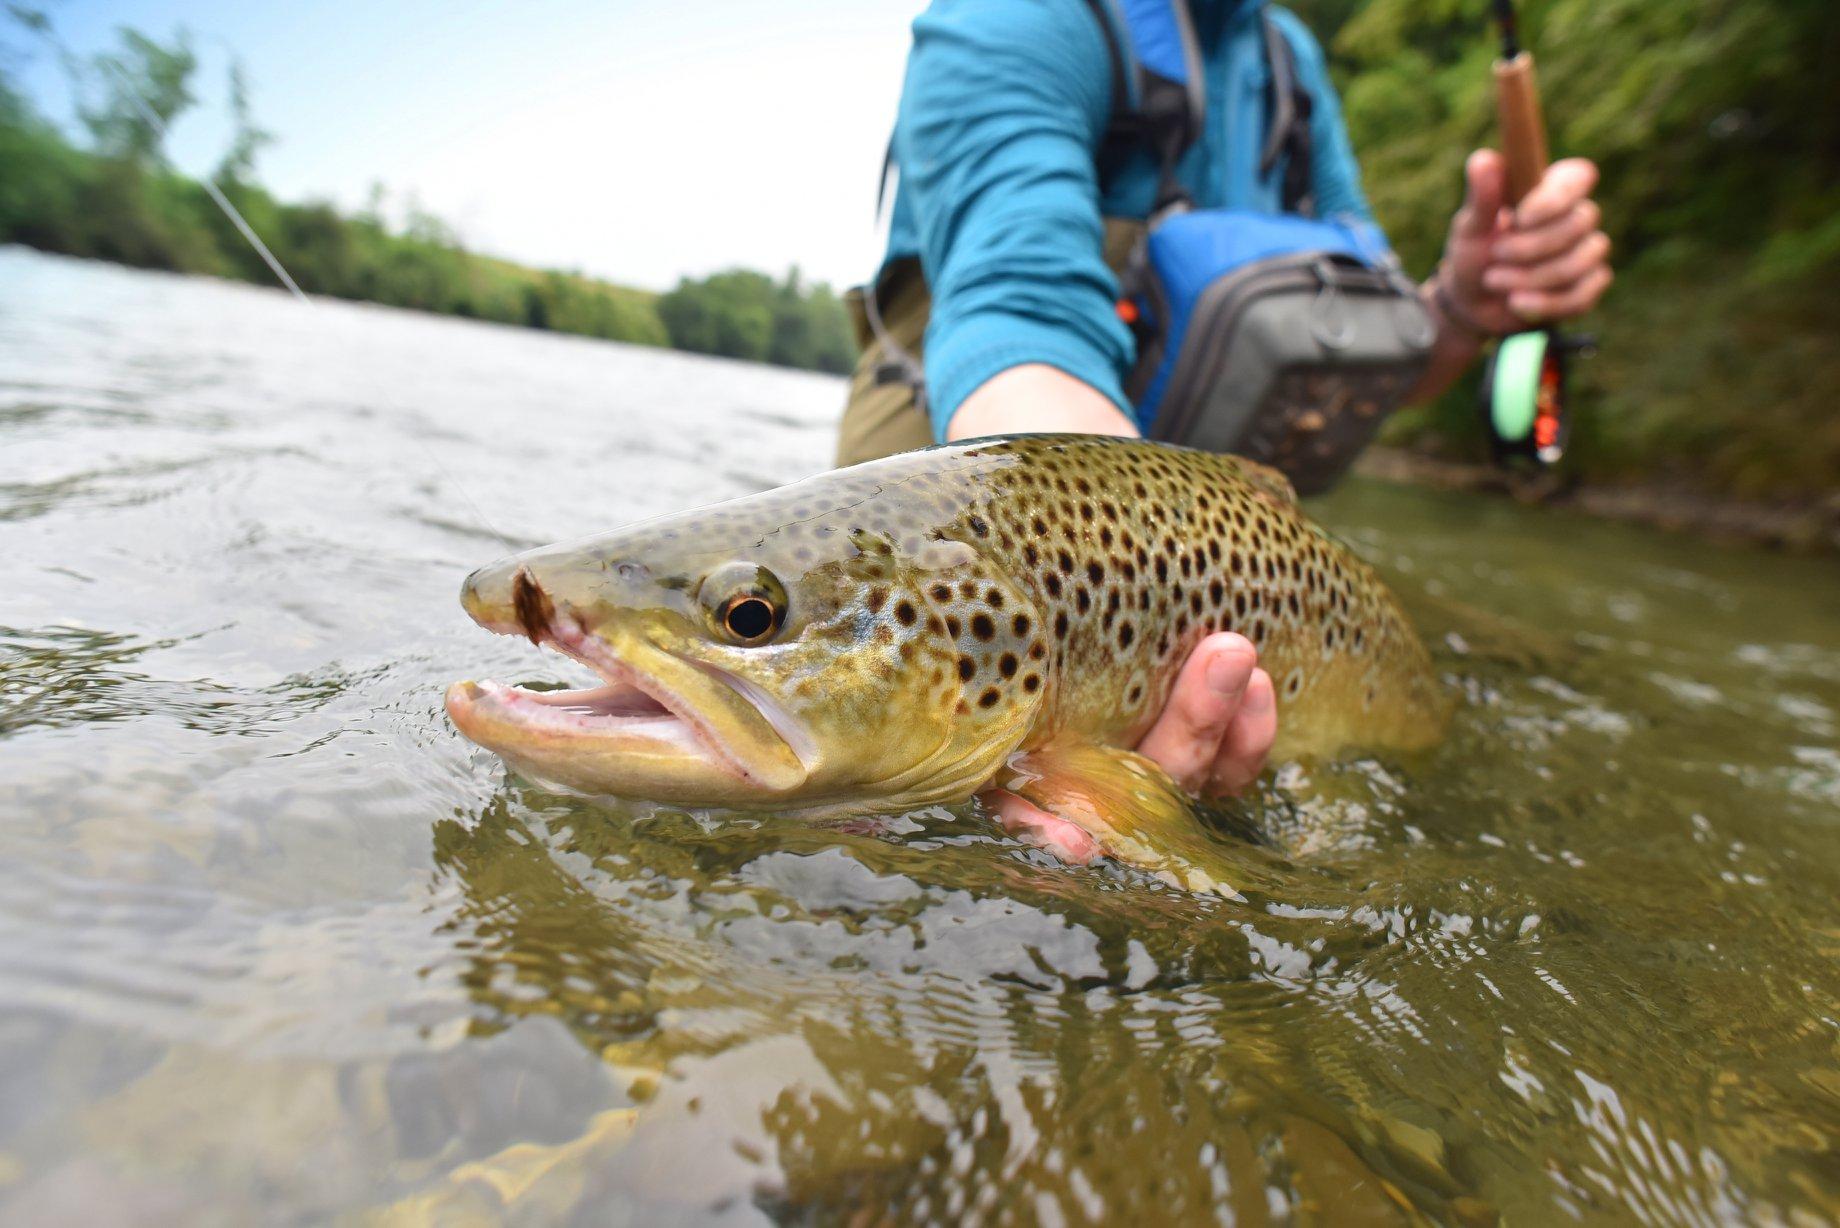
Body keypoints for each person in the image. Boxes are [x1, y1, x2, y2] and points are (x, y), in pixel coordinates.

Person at [834, 0, 1611, 845]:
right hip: (970, 496)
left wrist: (1460, 307)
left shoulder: (1290, 63)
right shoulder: (1017, 20)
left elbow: (1362, 363)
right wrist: (1106, 588)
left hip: (1206, 559)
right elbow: (1022, 310)